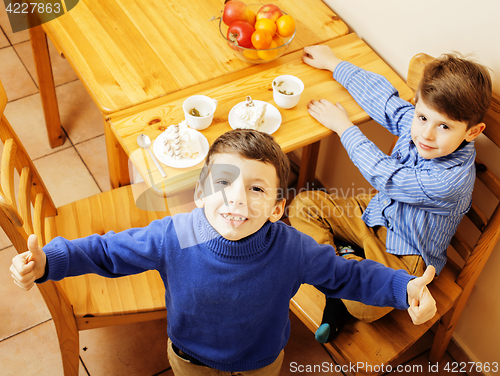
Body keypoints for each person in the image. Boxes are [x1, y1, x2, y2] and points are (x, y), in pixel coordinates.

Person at [11, 129, 437, 376]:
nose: (236, 199)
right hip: (189, 359)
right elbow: (109, 252)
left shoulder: (293, 249)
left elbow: (351, 276)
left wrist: (405, 289)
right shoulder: (172, 235)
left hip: (262, 362)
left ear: (276, 208)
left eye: (256, 188)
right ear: (199, 193)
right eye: (223, 183)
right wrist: (52, 260)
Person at [289, 46, 492, 343]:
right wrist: (334, 63)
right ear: (417, 104)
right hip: (372, 213)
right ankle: (346, 263)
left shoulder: (449, 180)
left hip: (404, 252)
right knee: (303, 204)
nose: (426, 135)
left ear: (472, 132)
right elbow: (383, 101)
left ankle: (342, 273)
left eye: (444, 126)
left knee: (363, 307)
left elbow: (386, 175)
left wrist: (344, 127)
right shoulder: (419, 124)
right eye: (422, 117)